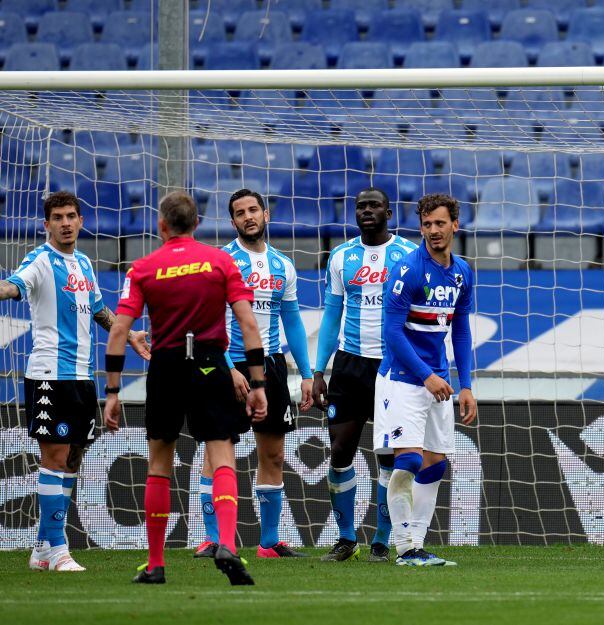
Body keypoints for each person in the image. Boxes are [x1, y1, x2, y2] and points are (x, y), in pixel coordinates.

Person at [102, 191, 267, 585]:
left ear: (161, 226)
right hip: (210, 363)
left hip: (166, 366)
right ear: (197, 223)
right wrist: (258, 383)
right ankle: (227, 543)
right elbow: (248, 324)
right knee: (222, 455)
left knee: (159, 464)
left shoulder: (143, 268)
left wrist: (112, 392)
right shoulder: (221, 261)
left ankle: (156, 564)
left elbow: (119, 331)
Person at [0, 191, 149, 572]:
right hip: (50, 376)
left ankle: (41, 548)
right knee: (54, 459)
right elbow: (13, 287)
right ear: (46, 224)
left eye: (71, 216)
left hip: (82, 376)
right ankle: (58, 548)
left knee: (71, 461)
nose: (65, 223)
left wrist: (128, 333)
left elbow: (98, 310)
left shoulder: (83, 262)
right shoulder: (40, 260)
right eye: (58, 217)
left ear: (81, 221)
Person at [192, 189, 314, 560]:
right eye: (240, 212)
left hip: (271, 365)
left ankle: (269, 543)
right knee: (217, 454)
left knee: (273, 455)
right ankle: (214, 539)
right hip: (226, 364)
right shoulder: (221, 261)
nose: (248, 217)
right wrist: (228, 367)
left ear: (265, 215)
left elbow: (292, 321)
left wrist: (306, 373)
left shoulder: (283, 265)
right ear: (232, 221)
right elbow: (207, 320)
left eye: (253, 210)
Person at [312, 188, 418, 562]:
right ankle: (346, 539)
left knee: (388, 456)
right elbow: (331, 314)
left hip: (392, 366)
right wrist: (318, 370)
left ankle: (381, 541)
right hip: (349, 365)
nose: (366, 210)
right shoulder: (341, 256)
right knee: (340, 451)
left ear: (389, 212)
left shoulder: (408, 254)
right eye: (360, 206)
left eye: (374, 205)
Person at [380, 193, 476, 567]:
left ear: (455, 224)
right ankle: (404, 547)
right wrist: (426, 376)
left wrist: (466, 385)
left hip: (439, 381)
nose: (433, 230)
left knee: (435, 464)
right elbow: (391, 332)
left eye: (439, 223)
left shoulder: (462, 272)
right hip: (404, 379)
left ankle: (417, 546)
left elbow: (461, 330)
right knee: (409, 460)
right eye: (426, 224)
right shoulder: (407, 270)